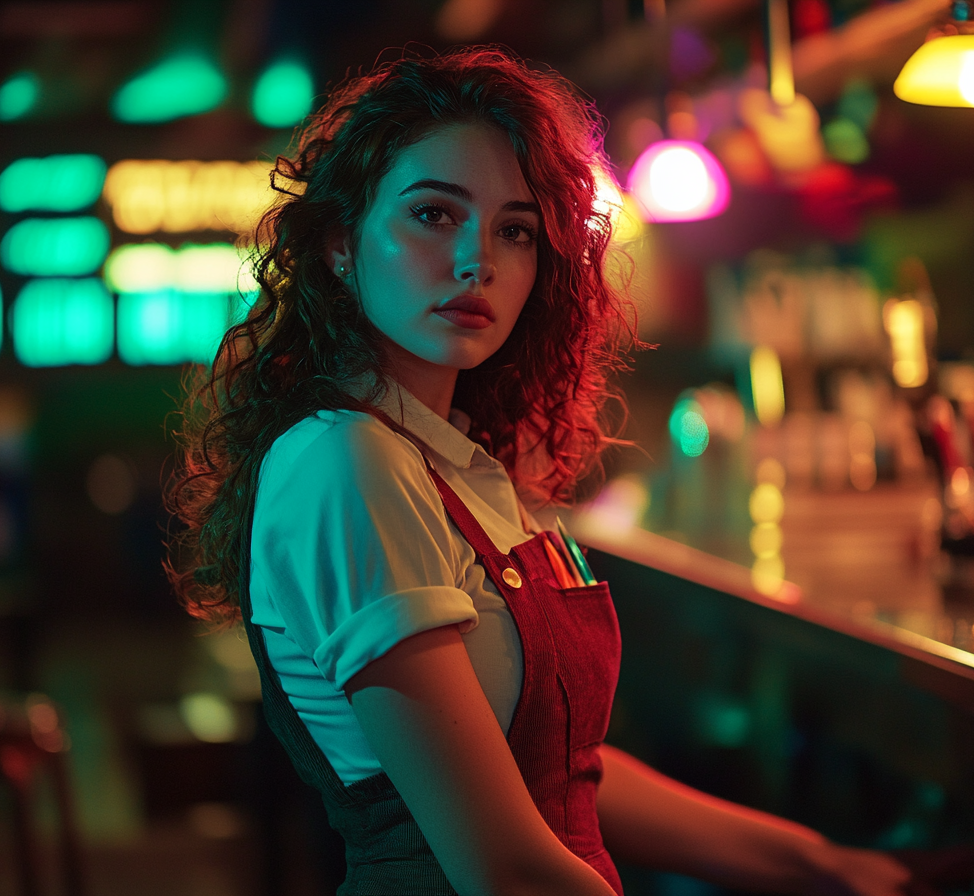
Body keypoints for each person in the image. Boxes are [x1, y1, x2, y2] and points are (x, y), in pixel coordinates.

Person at [168, 47, 913, 896]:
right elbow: (505, 870)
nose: (475, 260)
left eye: (514, 230)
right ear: (341, 244)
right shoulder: (347, 459)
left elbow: (564, 777)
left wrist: (820, 865)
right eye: (434, 215)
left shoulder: (447, 458)